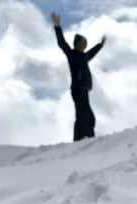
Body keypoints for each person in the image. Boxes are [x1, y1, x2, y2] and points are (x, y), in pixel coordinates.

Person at [51, 13, 106, 142]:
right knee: (83, 115)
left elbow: (92, 52)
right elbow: (62, 43)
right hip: (78, 88)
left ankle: (87, 139)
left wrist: (100, 45)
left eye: (85, 44)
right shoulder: (72, 54)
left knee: (88, 116)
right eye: (82, 43)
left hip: (84, 89)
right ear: (77, 44)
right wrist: (57, 26)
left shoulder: (84, 56)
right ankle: (82, 140)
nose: (84, 45)